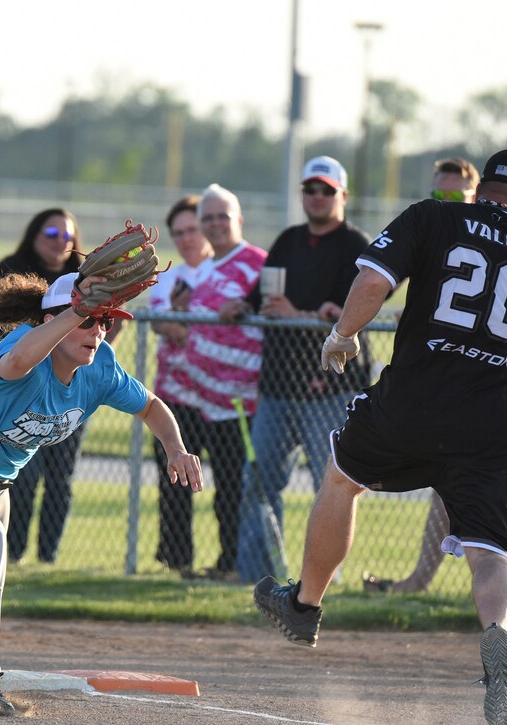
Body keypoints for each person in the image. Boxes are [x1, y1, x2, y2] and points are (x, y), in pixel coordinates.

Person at [253, 148, 507, 725]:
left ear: (482, 190)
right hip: (493, 418)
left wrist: (343, 334)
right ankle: (498, 638)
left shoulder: (435, 216)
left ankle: (305, 606)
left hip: (416, 397)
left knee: (343, 480)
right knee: (492, 548)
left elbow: (375, 278)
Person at [0, 270, 202, 713]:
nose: (98, 329)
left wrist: (176, 449)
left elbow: (151, 406)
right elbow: (18, 361)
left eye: (104, 321)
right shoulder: (21, 348)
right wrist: (75, 310)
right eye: (89, 318)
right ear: (52, 320)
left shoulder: (101, 368)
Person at [223, 156, 371, 585]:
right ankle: (258, 576)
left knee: (335, 487)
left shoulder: (355, 245)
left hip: (331, 386)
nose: (318, 197)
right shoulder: (289, 239)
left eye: (327, 190)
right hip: (279, 385)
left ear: (343, 195)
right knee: (259, 480)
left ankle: (324, 580)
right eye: (310, 189)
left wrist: (299, 314)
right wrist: (242, 306)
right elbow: (262, 293)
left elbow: (355, 310)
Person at [361, 156, 480, 594]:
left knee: (502, 498)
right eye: (438, 194)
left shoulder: (493, 242)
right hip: (442, 391)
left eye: (455, 195)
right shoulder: (434, 231)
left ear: (476, 196)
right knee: (445, 491)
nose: (444, 203)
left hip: (487, 392)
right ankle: (421, 581)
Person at [0, 210, 92, 564]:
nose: (60, 240)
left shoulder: (82, 279)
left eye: (67, 235)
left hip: (70, 390)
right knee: (21, 478)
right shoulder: (14, 266)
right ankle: (14, 552)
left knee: (60, 479)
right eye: (52, 232)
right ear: (33, 234)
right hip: (21, 393)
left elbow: (108, 327)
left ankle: (47, 557)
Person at [166, 183, 266, 580]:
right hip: (207, 400)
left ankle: (241, 565)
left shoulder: (257, 263)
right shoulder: (204, 271)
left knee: (236, 488)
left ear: (238, 219)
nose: (214, 224)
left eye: (222, 216)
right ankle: (226, 563)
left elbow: (267, 311)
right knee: (220, 489)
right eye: (207, 217)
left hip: (244, 400)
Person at [150, 195, 214, 577]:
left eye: (193, 229)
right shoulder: (169, 276)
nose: (187, 238)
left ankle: (229, 562)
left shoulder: (224, 271)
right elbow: (164, 324)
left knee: (228, 484)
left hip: (222, 396)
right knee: (176, 482)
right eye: (179, 233)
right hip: (176, 396)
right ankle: (177, 561)